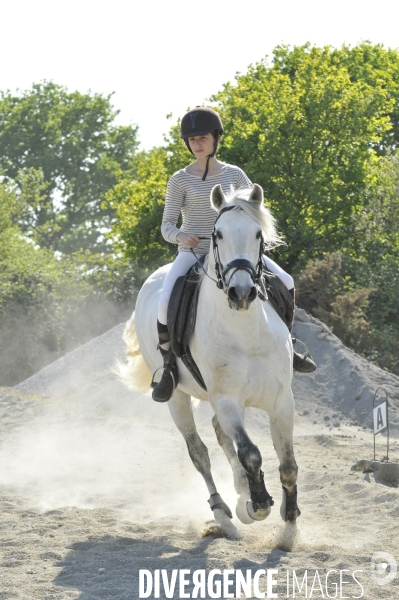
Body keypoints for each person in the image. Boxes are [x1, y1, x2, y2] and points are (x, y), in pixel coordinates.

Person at [152, 106, 316, 403]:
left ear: (215, 138)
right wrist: (180, 236)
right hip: (194, 251)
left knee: (287, 281)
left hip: (236, 253)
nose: (196, 144)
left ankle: (288, 345)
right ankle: (168, 369)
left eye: (202, 138)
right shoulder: (179, 179)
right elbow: (165, 224)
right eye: (191, 140)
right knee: (164, 305)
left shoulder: (235, 175)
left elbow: (252, 213)